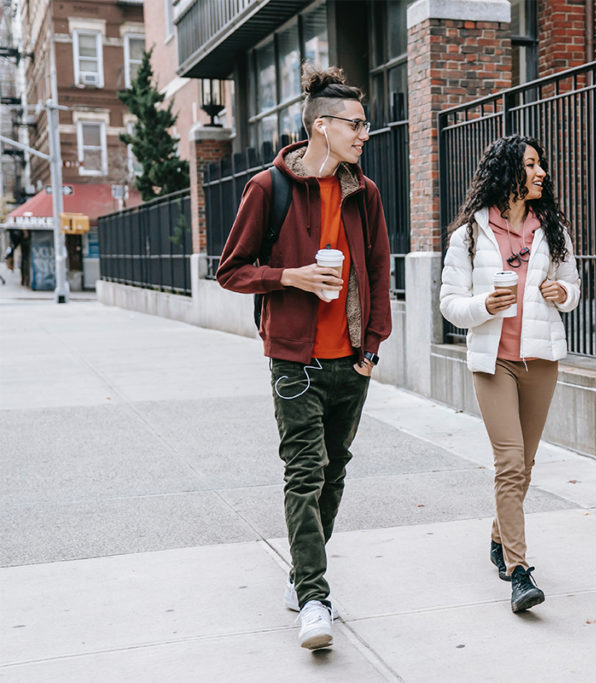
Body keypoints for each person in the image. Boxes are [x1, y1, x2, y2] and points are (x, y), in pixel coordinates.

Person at [217, 64, 392, 649]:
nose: (364, 133)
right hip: (294, 359)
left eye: (365, 124)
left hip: (351, 361)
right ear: (321, 126)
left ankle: (302, 571)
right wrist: (290, 276)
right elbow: (231, 270)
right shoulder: (268, 188)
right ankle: (315, 598)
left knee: (334, 471)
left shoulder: (363, 193)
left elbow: (377, 272)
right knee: (304, 473)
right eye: (356, 124)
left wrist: (371, 349)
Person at [439, 134, 581, 613]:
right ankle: (519, 572)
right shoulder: (470, 236)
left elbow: (573, 284)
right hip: (493, 360)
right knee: (511, 462)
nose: (542, 173)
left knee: (527, 462)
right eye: (532, 165)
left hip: (540, 359)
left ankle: (500, 536)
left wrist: (564, 295)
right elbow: (449, 304)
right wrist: (485, 304)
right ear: (508, 173)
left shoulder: (551, 228)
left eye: (542, 165)